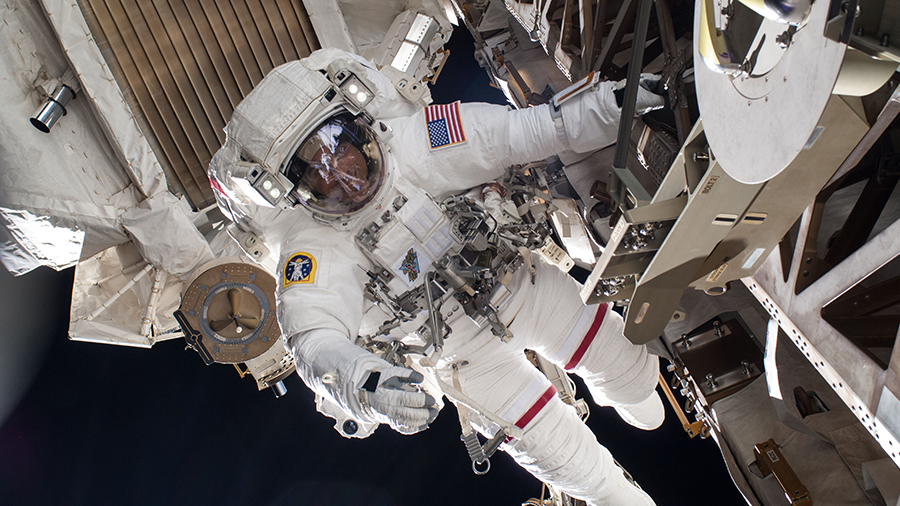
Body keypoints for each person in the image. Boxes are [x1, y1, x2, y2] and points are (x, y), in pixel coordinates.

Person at [210, 47, 666, 505]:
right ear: (297, 190)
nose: (339, 173)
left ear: (360, 130)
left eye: (338, 147)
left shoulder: (420, 141)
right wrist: (367, 385)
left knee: (635, 380)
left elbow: (536, 128)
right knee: (579, 471)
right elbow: (313, 340)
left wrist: (614, 104)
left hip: (525, 289)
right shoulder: (310, 248)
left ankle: (630, 394)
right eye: (316, 172)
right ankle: (615, 491)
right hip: (462, 359)